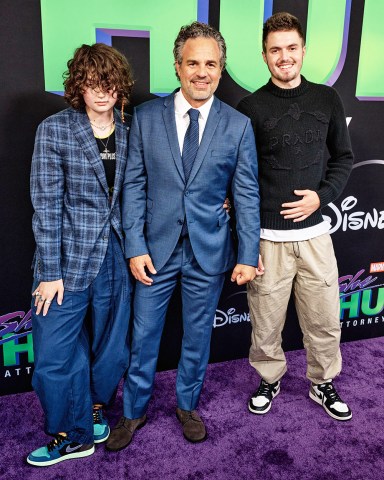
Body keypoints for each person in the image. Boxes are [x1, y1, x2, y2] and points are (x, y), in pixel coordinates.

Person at [106, 21, 260, 451]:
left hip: (208, 253)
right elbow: (133, 185)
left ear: (221, 68)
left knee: (197, 337)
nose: (202, 72)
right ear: (177, 66)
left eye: (211, 63)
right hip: (154, 252)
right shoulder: (147, 116)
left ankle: (187, 405)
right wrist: (134, 246)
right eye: (193, 62)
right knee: (143, 337)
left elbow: (246, 194)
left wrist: (248, 254)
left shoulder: (238, 125)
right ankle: (134, 412)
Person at [237, 12, 354, 421]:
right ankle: (269, 379)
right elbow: (243, 177)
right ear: (264, 56)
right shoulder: (249, 107)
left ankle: (322, 382)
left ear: (303, 50)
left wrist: (320, 199)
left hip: (316, 236)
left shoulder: (327, 99)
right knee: (265, 324)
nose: (284, 57)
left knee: (323, 318)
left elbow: (343, 158)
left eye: (291, 48)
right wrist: (249, 242)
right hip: (268, 238)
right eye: (275, 50)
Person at [27, 43, 134, 466]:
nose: (101, 92)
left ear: (119, 85)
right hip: (66, 262)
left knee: (111, 347)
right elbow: (46, 204)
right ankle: (71, 435)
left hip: (118, 256)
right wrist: (50, 271)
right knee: (55, 352)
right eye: (92, 84)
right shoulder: (54, 129)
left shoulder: (131, 130)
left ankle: (93, 411)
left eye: (108, 83)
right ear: (79, 86)